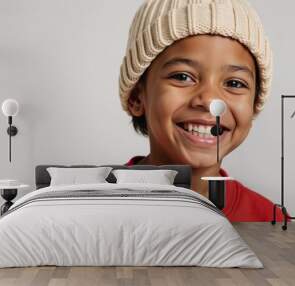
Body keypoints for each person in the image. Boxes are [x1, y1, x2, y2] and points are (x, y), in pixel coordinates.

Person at [118, 0, 284, 222]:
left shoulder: (268, 219)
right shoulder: (91, 211)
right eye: (182, 77)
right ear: (137, 97)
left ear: (254, 105)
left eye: (235, 83)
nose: (211, 101)